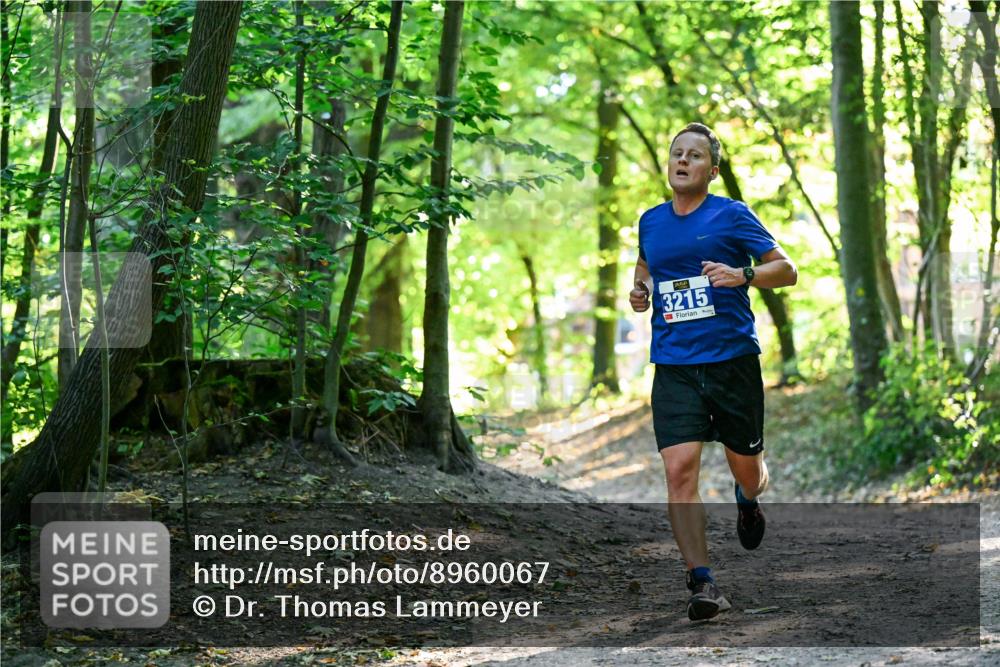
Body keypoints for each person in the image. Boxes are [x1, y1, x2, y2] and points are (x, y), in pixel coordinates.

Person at [629, 122, 797, 621]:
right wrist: (639, 291)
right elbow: (645, 265)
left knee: (748, 469)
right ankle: (701, 583)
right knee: (679, 472)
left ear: (712, 169)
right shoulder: (651, 221)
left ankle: (748, 500)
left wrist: (742, 274)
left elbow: (786, 270)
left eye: (694, 155)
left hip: (731, 362)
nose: (683, 161)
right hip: (675, 366)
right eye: (677, 153)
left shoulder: (732, 215)